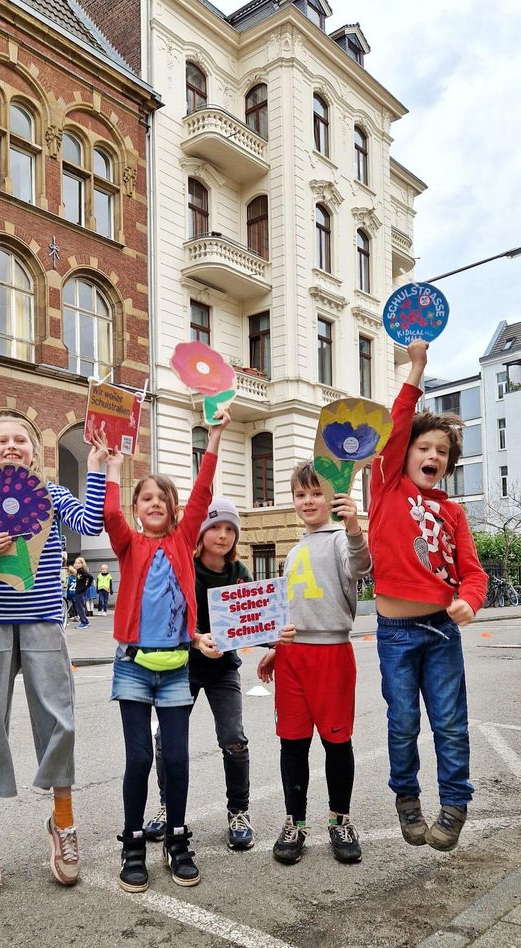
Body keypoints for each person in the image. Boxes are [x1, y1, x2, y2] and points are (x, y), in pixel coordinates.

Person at [0, 415, 108, 895]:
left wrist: (100, 468)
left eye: (20, 440)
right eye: (1, 440)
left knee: (58, 719)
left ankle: (62, 821)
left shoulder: (52, 495)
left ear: (34, 450)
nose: (10, 446)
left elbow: (90, 523)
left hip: (43, 620)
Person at [104, 409, 231, 893]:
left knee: (174, 758)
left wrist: (214, 435)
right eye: (147, 498)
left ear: (176, 510)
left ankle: (177, 839)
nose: (154, 503)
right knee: (139, 759)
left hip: (177, 667)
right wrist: (113, 469)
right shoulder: (128, 544)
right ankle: (132, 842)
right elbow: (110, 515)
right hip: (134, 667)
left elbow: (203, 492)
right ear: (139, 509)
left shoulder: (182, 538)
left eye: (163, 498)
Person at [369, 339, 487, 852]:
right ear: (405, 455)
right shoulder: (387, 488)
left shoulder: (454, 514)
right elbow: (397, 426)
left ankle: (455, 803)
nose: (433, 455)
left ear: (449, 463)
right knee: (403, 725)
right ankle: (407, 801)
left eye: (442, 451)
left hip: (440, 632)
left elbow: (474, 574)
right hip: (395, 635)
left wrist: (469, 601)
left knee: (450, 724)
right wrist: (416, 368)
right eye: (424, 447)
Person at [257, 462, 370, 865]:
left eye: (316, 493)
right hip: (292, 657)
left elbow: (360, 567)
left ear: (331, 496)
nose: (308, 501)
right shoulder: (296, 547)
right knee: (293, 742)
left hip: (331, 654)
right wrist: (276, 645)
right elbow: (291, 607)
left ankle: (340, 819)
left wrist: (354, 527)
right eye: (300, 494)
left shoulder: (341, 538)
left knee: (337, 742)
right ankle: (295, 821)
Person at [144, 498, 257, 850]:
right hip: (184, 667)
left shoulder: (240, 573)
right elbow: (166, 617)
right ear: (202, 531)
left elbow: (254, 620)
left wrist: (275, 637)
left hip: (223, 669)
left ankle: (238, 811)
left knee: (234, 739)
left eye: (229, 530)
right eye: (215, 527)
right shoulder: (184, 567)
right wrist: (195, 640)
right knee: (167, 740)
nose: (222, 536)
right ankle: (167, 807)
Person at [73, 556, 94, 628]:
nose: (77, 564)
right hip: (79, 591)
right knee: (80, 606)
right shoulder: (78, 571)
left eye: (79, 563)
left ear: (82, 564)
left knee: (80, 607)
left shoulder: (82, 571)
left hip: (81, 592)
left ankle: (83, 623)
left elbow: (90, 577)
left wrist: (87, 586)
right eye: (76, 563)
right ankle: (86, 621)